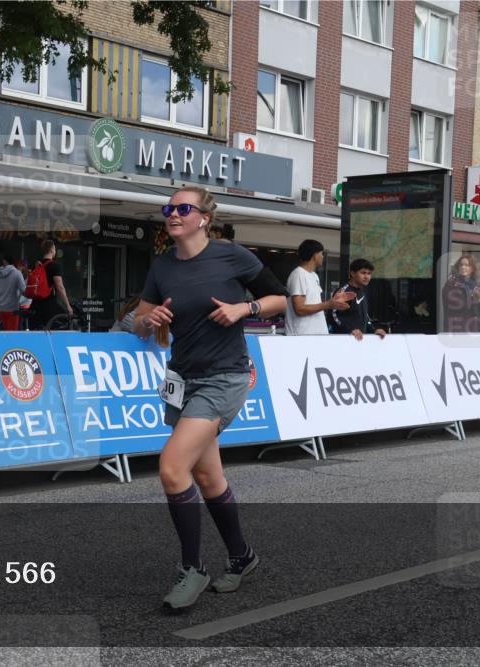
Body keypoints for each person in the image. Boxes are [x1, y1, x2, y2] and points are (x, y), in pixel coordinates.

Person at [132, 186, 287, 612]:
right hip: (183, 378)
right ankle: (243, 557)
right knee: (207, 479)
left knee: (171, 467)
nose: (173, 214)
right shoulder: (162, 266)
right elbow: (138, 321)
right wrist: (150, 320)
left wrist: (245, 310)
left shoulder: (231, 255)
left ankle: (192, 568)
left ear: (204, 218)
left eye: (183, 208)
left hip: (226, 378)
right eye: (168, 208)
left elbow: (280, 299)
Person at [284, 239, 353, 335]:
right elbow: (299, 309)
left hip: (316, 335)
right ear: (315, 255)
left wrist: (334, 300)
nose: (323, 256)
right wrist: (328, 304)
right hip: (302, 336)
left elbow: (316, 304)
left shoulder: (314, 275)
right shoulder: (298, 274)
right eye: (321, 253)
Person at [330, 258, 387, 340]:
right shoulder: (344, 291)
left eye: (369, 273)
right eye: (363, 273)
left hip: (359, 341)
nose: (367, 276)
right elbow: (332, 315)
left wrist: (374, 330)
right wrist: (350, 330)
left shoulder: (362, 291)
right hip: (344, 341)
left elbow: (365, 316)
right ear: (352, 273)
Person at [442, 255, 480, 333]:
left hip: (474, 329)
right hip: (457, 329)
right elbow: (457, 305)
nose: (463, 267)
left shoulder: (476, 286)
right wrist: (476, 298)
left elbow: (478, 310)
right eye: (461, 265)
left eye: (466, 265)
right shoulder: (451, 284)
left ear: (472, 268)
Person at [29, 239, 73, 329]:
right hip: (48, 306)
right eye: (55, 249)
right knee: (64, 323)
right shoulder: (54, 266)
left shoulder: (36, 265)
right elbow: (60, 287)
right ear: (52, 249)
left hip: (35, 306)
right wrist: (68, 306)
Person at [0, 254, 25, 331]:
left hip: (0, 309)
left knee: (4, 334)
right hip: (12, 309)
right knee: (12, 334)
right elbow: (23, 290)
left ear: (4, 261)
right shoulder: (17, 273)